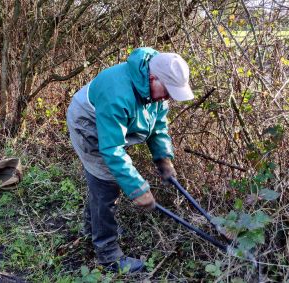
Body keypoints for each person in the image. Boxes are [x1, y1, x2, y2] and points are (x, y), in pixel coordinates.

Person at [66, 47, 194, 273]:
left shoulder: (153, 87)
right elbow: (112, 149)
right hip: (87, 124)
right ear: (154, 78)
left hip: (109, 127)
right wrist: (137, 189)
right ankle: (108, 255)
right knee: (106, 184)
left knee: (104, 183)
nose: (167, 98)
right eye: (167, 92)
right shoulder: (117, 94)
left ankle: (91, 227)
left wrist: (163, 158)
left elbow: (158, 126)